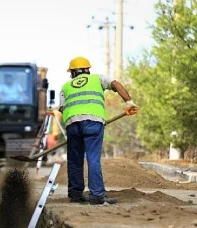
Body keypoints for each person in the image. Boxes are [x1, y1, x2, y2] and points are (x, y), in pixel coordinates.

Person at [58, 56, 138, 205]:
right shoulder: (98, 78)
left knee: (74, 161)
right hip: (93, 122)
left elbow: (63, 108)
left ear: (73, 73)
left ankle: (75, 195)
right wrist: (129, 102)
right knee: (93, 159)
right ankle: (96, 196)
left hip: (72, 123)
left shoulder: (65, 86)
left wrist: (78, 118)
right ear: (87, 70)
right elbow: (115, 84)